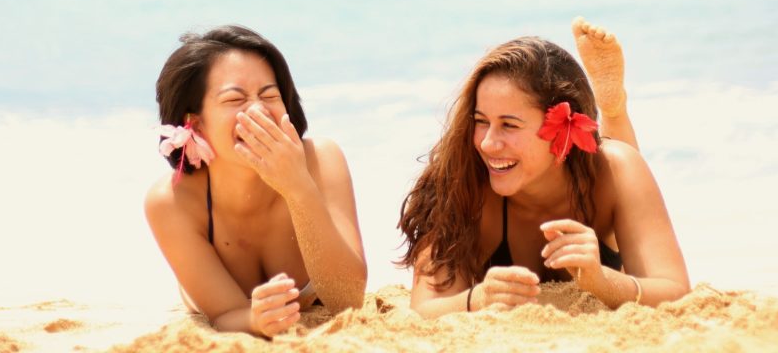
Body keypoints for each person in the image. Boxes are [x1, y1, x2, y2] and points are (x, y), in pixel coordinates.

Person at [399, 18, 689, 316]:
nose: (487, 143)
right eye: (481, 121)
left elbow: (676, 293)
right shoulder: (461, 181)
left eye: (508, 125)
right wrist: (477, 298)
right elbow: (422, 310)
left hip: (598, 181)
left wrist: (603, 283)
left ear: (560, 128)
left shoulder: (619, 168)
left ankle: (614, 111)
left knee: (614, 165)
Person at [145, 26, 367, 337]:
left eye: (269, 95)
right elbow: (225, 314)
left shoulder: (321, 160)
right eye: (235, 99)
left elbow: (348, 299)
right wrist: (254, 320)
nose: (259, 110)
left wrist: (297, 186)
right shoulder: (171, 201)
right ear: (195, 122)